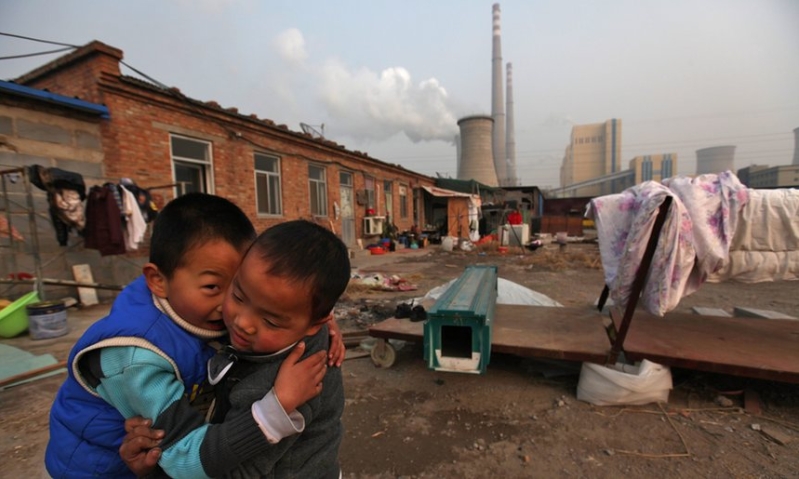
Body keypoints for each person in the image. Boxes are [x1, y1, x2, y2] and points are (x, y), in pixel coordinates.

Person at [45, 194, 342, 478]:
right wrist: (272, 411)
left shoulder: (187, 292)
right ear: (158, 281)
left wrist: (315, 323)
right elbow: (186, 460)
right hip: (103, 468)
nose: (237, 317)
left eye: (235, 286)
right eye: (218, 288)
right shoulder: (135, 360)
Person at [122, 219, 352, 478]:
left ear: (313, 324)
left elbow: (236, 472)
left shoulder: (288, 389)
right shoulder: (297, 319)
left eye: (270, 321)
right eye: (238, 295)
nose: (243, 323)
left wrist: (155, 470)